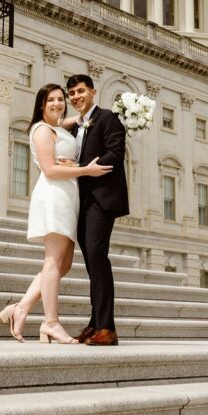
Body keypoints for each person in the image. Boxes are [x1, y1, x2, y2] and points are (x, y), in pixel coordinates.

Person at [0, 83, 112, 345]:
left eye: (61, 99)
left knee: (63, 264)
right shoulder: (42, 130)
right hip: (53, 196)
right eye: (51, 100)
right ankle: (51, 323)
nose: (58, 103)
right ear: (41, 104)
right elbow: (49, 169)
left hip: (67, 197)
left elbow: (83, 118)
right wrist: (85, 170)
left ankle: (21, 308)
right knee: (53, 261)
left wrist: (116, 112)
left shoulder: (60, 127)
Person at [66, 74, 129, 346]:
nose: (76, 97)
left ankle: (107, 328)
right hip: (80, 201)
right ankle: (95, 324)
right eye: (72, 94)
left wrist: (83, 169)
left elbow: (115, 155)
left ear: (93, 91)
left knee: (97, 257)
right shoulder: (75, 126)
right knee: (92, 263)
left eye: (81, 91)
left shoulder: (108, 118)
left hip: (101, 200)